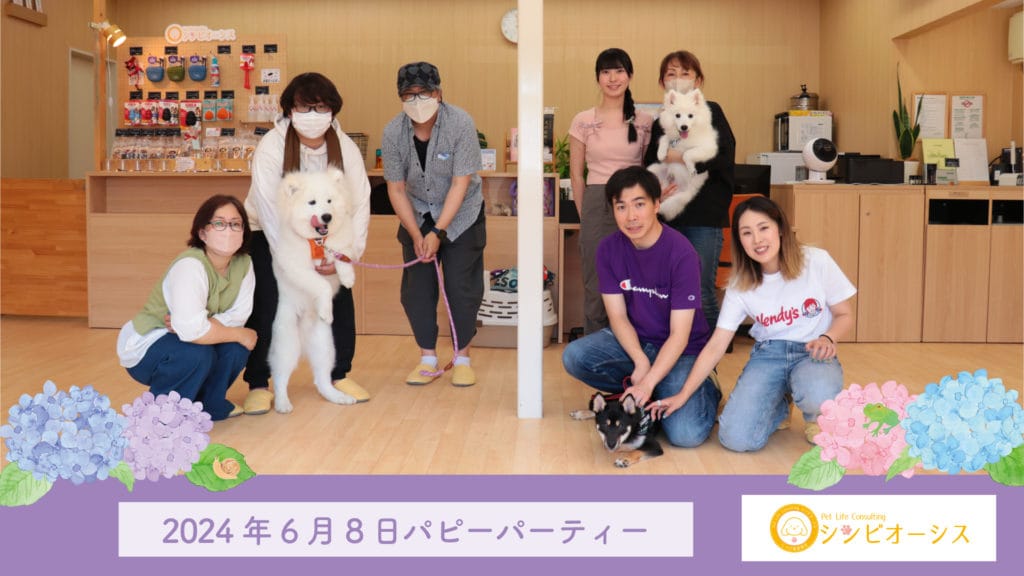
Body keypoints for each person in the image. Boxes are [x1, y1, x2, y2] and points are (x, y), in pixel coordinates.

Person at [650, 196, 856, 451]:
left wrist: (828, 337)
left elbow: (844, 315)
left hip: (812, 351)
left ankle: (816, 416)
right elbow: (716, 345)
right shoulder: (740, 284)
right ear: (740, 241)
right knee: (735, 439)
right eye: (747, 233)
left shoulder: (816, 261)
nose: (757, 240)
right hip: (769, 355)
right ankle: (780, 403)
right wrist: (683, 395)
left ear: (780, 228)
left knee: (818, 392)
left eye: (763, 228)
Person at [562, 167, 722, 448]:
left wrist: (648, 382)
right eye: (621, 207)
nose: (631, 216)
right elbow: (617, 316)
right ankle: (647, 391)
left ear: (657, 204)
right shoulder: (608, 249)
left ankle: (704, 386)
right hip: (637, 342)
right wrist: (640, 360)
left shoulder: (682, 253)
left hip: (683, 351)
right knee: (575, 356)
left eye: (639, 204)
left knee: (685, 435)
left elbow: (680, 335)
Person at [242, 72, 372, 414]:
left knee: (337, 295)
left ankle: (338, 374)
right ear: (289, 110)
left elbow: (360, 202)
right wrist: (300, 261)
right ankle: (259, 382)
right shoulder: (271, 146)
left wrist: (346, 254)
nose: (313, 115)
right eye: (304, 107)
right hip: (269, 233)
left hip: (330, 231)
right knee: (270, 301)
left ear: (333, 111)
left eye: (321, 107)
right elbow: (271, 211)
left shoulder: (344, 146)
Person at [382, 61, 486, 387]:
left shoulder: (460, 123)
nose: (417, 101)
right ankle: (427, 357)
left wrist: (439, 231)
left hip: (462, 214)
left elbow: (460, 183)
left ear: (438, 93)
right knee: (417, 290)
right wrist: (417, 234)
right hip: (415, 213)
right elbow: (396, 189)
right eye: (408, 95)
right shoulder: (393, 132)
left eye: (423, 93)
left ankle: (462, 358)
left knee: (461, 286)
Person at [116, 195, 256, 421]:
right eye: (219, 223)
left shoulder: (244, 264)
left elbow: (238, 315)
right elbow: (193, 331)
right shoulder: (190, 265)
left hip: (191, 337)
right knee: (197, 352)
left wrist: (201, 326)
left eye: (235, 224)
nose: (228, 231)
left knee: (234, 349)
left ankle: (209, 403)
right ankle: (162, 414)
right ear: (202, 233)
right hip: (150, 345)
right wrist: (238, 333)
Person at [643, 50, 735, 334]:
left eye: (685, 73)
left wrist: (679, 157)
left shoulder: (711, 111)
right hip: (668, 218)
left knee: (700, 289)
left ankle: (710, 356)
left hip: (704, 217)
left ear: (698, 80)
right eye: (671, 74)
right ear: (663, 83)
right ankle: (676, 350)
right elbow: (650, 161)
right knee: (668, 289)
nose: (678, 79)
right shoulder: (662, 120)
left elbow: (723, 155)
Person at [569, 48, 654, 335]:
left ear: (629, 76)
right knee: (596, 283)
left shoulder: (644, 121)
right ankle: (595, 349)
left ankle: (634, 350)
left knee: (635, 281)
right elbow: (576, 175)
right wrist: (586, 216)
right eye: (606, 72)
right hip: (596, 201)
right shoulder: (582, 120)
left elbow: (649, 169)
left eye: (619, 71)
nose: (613, 78)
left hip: (635, 203)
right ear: (598, 78)